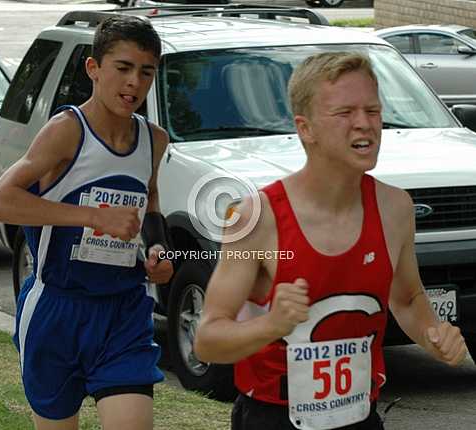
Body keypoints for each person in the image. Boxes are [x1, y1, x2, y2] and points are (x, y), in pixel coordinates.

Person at [194, 52, 468, 430]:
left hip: (360, 417)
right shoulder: (257, 218)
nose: (365, 125)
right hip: (274, 418)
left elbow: (406, 298)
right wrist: (271, 325)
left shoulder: (395, 207)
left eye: (373, 111)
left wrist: (434, 336)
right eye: (345, 114)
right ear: (305, 128)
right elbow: (207, 341)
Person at [0, 15, 173, 430]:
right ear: (93, 68)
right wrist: (91, 215)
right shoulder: (66, 131)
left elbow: (151, 199)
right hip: (57, 308)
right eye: (122, 68)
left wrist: (159, 250)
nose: (134, 84)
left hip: (124, 310)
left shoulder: (154, 139)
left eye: (146, 72)